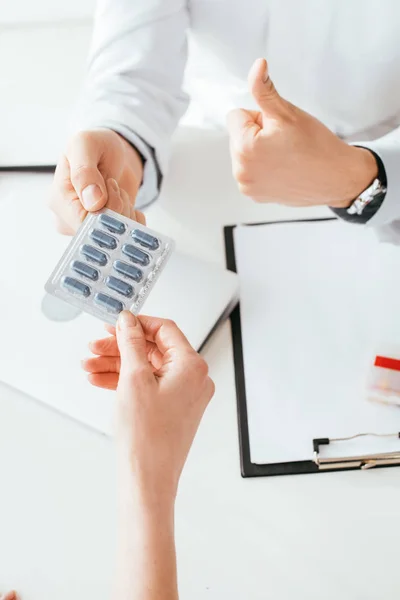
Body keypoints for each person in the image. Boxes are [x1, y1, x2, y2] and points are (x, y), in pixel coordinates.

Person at [49, 0, 400, 235]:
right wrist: (121, 140)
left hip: (381, 159)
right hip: (214, 158)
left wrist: (358, 178)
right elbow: (134, 63)